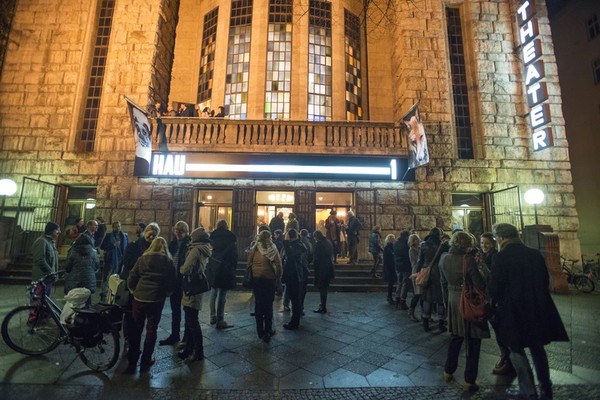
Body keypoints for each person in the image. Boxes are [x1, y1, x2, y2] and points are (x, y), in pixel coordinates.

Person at [489, 223, 569, 400]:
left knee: (516, 350)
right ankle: (546, 388)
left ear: (501, 237)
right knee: (537, 349)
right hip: (536, 308)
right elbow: (544, 280)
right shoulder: (534, 254)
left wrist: (492, 304)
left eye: (495, 238)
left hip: (513, 311)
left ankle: (528, 390)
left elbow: (495, 288)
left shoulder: (500, 257)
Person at [439, 231, 490, 393]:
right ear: (467, 245)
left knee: (456, 337)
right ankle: (469, 380)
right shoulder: (467, 260)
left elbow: (443, 283)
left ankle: (448, 371)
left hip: (452, 301)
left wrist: (446, 302)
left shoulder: (443, 258)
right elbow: (480, 284)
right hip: (468, 301)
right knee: (474, 341)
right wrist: (482, 267)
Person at [126, 237, 176, 373]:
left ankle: (132, 359)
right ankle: (146, 359)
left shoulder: (142, 259)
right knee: (151, 329)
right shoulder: (168, 261)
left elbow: (132, 276)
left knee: (136, 328)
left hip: (139, 298)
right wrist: (167, 292)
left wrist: (133, 290)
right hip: (156, 299)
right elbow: (172, 280)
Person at [477, 232, 514, 376]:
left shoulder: (495, 256)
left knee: (501, 330)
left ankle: (507, 360)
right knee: (498, 330)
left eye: (486, 243)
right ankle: (505, 357)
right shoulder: (484, 255)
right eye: (481, 243)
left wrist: (481, 266)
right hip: (488, 297)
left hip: (496, 299)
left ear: (492, 243)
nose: (483, 246)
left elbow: (492, 277)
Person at [178, 227, 212, 360]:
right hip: (197, 286)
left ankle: (198, 352)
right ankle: (189, 349)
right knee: (191, 320)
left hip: (192, 286)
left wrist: (180, 269)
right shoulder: (204, 248)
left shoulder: (195, 250)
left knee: (192, 321)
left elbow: (186, 268)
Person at [247, 229, 282, 343]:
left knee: (258, 303)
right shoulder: (273, 248)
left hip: (257, 279)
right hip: (269, 279)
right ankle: (268, 330)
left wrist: (252, 271)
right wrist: (278, 277)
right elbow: (278, 264)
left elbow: (249, 262)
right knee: (268, 305)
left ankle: (259, 331)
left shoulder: (255, 248)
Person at [160, 221, 191, 346]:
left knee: (188, 310)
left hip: (185, 281)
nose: (178, 233)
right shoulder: (172, 244)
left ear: (186, 231)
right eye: (177, 230)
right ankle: (175, 335)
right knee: (175, 310)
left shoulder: (189, 244)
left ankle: (186, 337)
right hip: (174, 280)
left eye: (181, 230)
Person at [417, 227, 448, 332]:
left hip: (427, 273)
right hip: (439, 273)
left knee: (427, 298)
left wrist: (418, 273)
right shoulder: (443, 246)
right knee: (440, 299)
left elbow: (419, 261)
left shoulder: (423, 245)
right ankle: (441, 323)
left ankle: (425, 323)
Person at [208, 220, 238, 329]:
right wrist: (233, 267)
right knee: (222, 294)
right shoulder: (231, 237)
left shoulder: (213, 236)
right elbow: (234, 255)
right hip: (226, 267)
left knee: (213, 291)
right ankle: (220, 319)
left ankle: (212, 316)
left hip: (214, 266)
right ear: (226, 226)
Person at [282, 229, 307, 330]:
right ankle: (295, 320)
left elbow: (290, 256)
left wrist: (286, 242)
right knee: (295, 299)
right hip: (295, 275)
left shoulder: (296, 246)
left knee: (295, 300)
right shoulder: (298, 245)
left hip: (295, 276)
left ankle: (294, 322)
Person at [64, 233, 100, 303]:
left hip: (74, 281)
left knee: (74, 303)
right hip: (89, 281)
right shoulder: (93, 252)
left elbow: (67, 267)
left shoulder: (72, 251)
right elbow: (96, 266)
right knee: (87, 301)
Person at [100, 221, 128, 301]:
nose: (118, 228)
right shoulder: (109, 236)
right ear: (113, 227)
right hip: (110, 260)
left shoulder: (124, 236)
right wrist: (113, 245)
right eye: (116, 226)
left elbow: (126, 248)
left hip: (120, 261)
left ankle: (115, 293)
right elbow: (102, 246)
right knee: (107, 277)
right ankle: (104, 293)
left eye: (119, 226)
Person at [31, 222, 61, 296]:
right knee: (39, 302)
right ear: (51, 231)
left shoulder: (50, 242)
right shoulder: (42, 241)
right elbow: (40, 260)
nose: (59, 232)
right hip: (42, 278)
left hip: (48, 278)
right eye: (57, 230)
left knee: (45, 301)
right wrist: (51, 272)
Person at [312, 230, 334, 313]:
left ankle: (323, 306)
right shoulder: (328, 242)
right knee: (325, 288)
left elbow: (317, 258)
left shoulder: (319, 244)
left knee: (322, 288)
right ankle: (323, 305)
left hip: (322, 269)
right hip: (328, 267)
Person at [393, 230, 412, 310]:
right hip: (406, 265)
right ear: (407, 236)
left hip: (398, 265)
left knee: (399, 283)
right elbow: (408, 256)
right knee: (405, 284)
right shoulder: (407, 244)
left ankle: (397, 299)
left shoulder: (396, 243)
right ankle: (402, 301)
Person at [407, 233, 422, 322]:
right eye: (414, 240)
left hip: (421, 270)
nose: (416, 241)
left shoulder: (420, 248)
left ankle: (425, 314)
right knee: (417, 293)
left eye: (417, 239)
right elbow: (415, 261)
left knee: (422, 294)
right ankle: (411, 311)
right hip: (416, 270)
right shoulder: (411, 250)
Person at [382, 233, 397, 305]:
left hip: (392, 267)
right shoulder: (387, 248)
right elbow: (386, 259)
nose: (394, 240)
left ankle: (390, 296)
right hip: (389, 267)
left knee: (392, 283)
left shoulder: (392, 247)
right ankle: (389, 296)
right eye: (393, 239)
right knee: (390, 283)